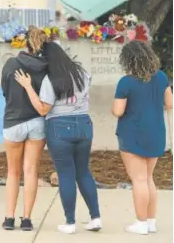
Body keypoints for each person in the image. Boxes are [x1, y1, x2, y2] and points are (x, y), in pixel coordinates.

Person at [15, 42, 101, 234]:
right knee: (83, 172)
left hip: (60, 127)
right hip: (84, 124)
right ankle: (95, 218)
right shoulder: (83, 73)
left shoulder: (50, 79)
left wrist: (28, 87)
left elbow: (43, 108)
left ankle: (70, 222)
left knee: (66, 174)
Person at [112, 40, 173, 235]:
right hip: (156, 132)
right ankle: (151, 221)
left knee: (138, 180)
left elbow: (118, 111)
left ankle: (141, 222)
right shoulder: (162, 77)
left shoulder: (126, 82)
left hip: (133, 133)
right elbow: (170, 104)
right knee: (148, 178)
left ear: (128, 60)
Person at [0, 27, 48, 231]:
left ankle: (9, 218)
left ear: (25, 43)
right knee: (31, 171)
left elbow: (4, 91)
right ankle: (26, 219)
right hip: (37, 122)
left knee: (13, 172)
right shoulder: (47, 68)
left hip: (13, 122)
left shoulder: (11, 64)